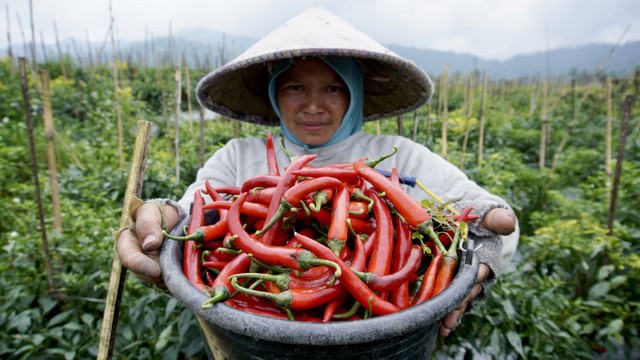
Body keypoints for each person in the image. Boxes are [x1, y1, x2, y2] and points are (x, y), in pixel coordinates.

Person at [117, 5, 518, 339]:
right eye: (295, 88)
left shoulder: (401, 158)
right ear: (275, 92)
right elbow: (192, 217)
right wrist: (163, 217)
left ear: (354, 93)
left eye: (333, 88)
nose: (313, 106)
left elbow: (489, 219)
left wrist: (482, 257)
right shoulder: (237, 158)